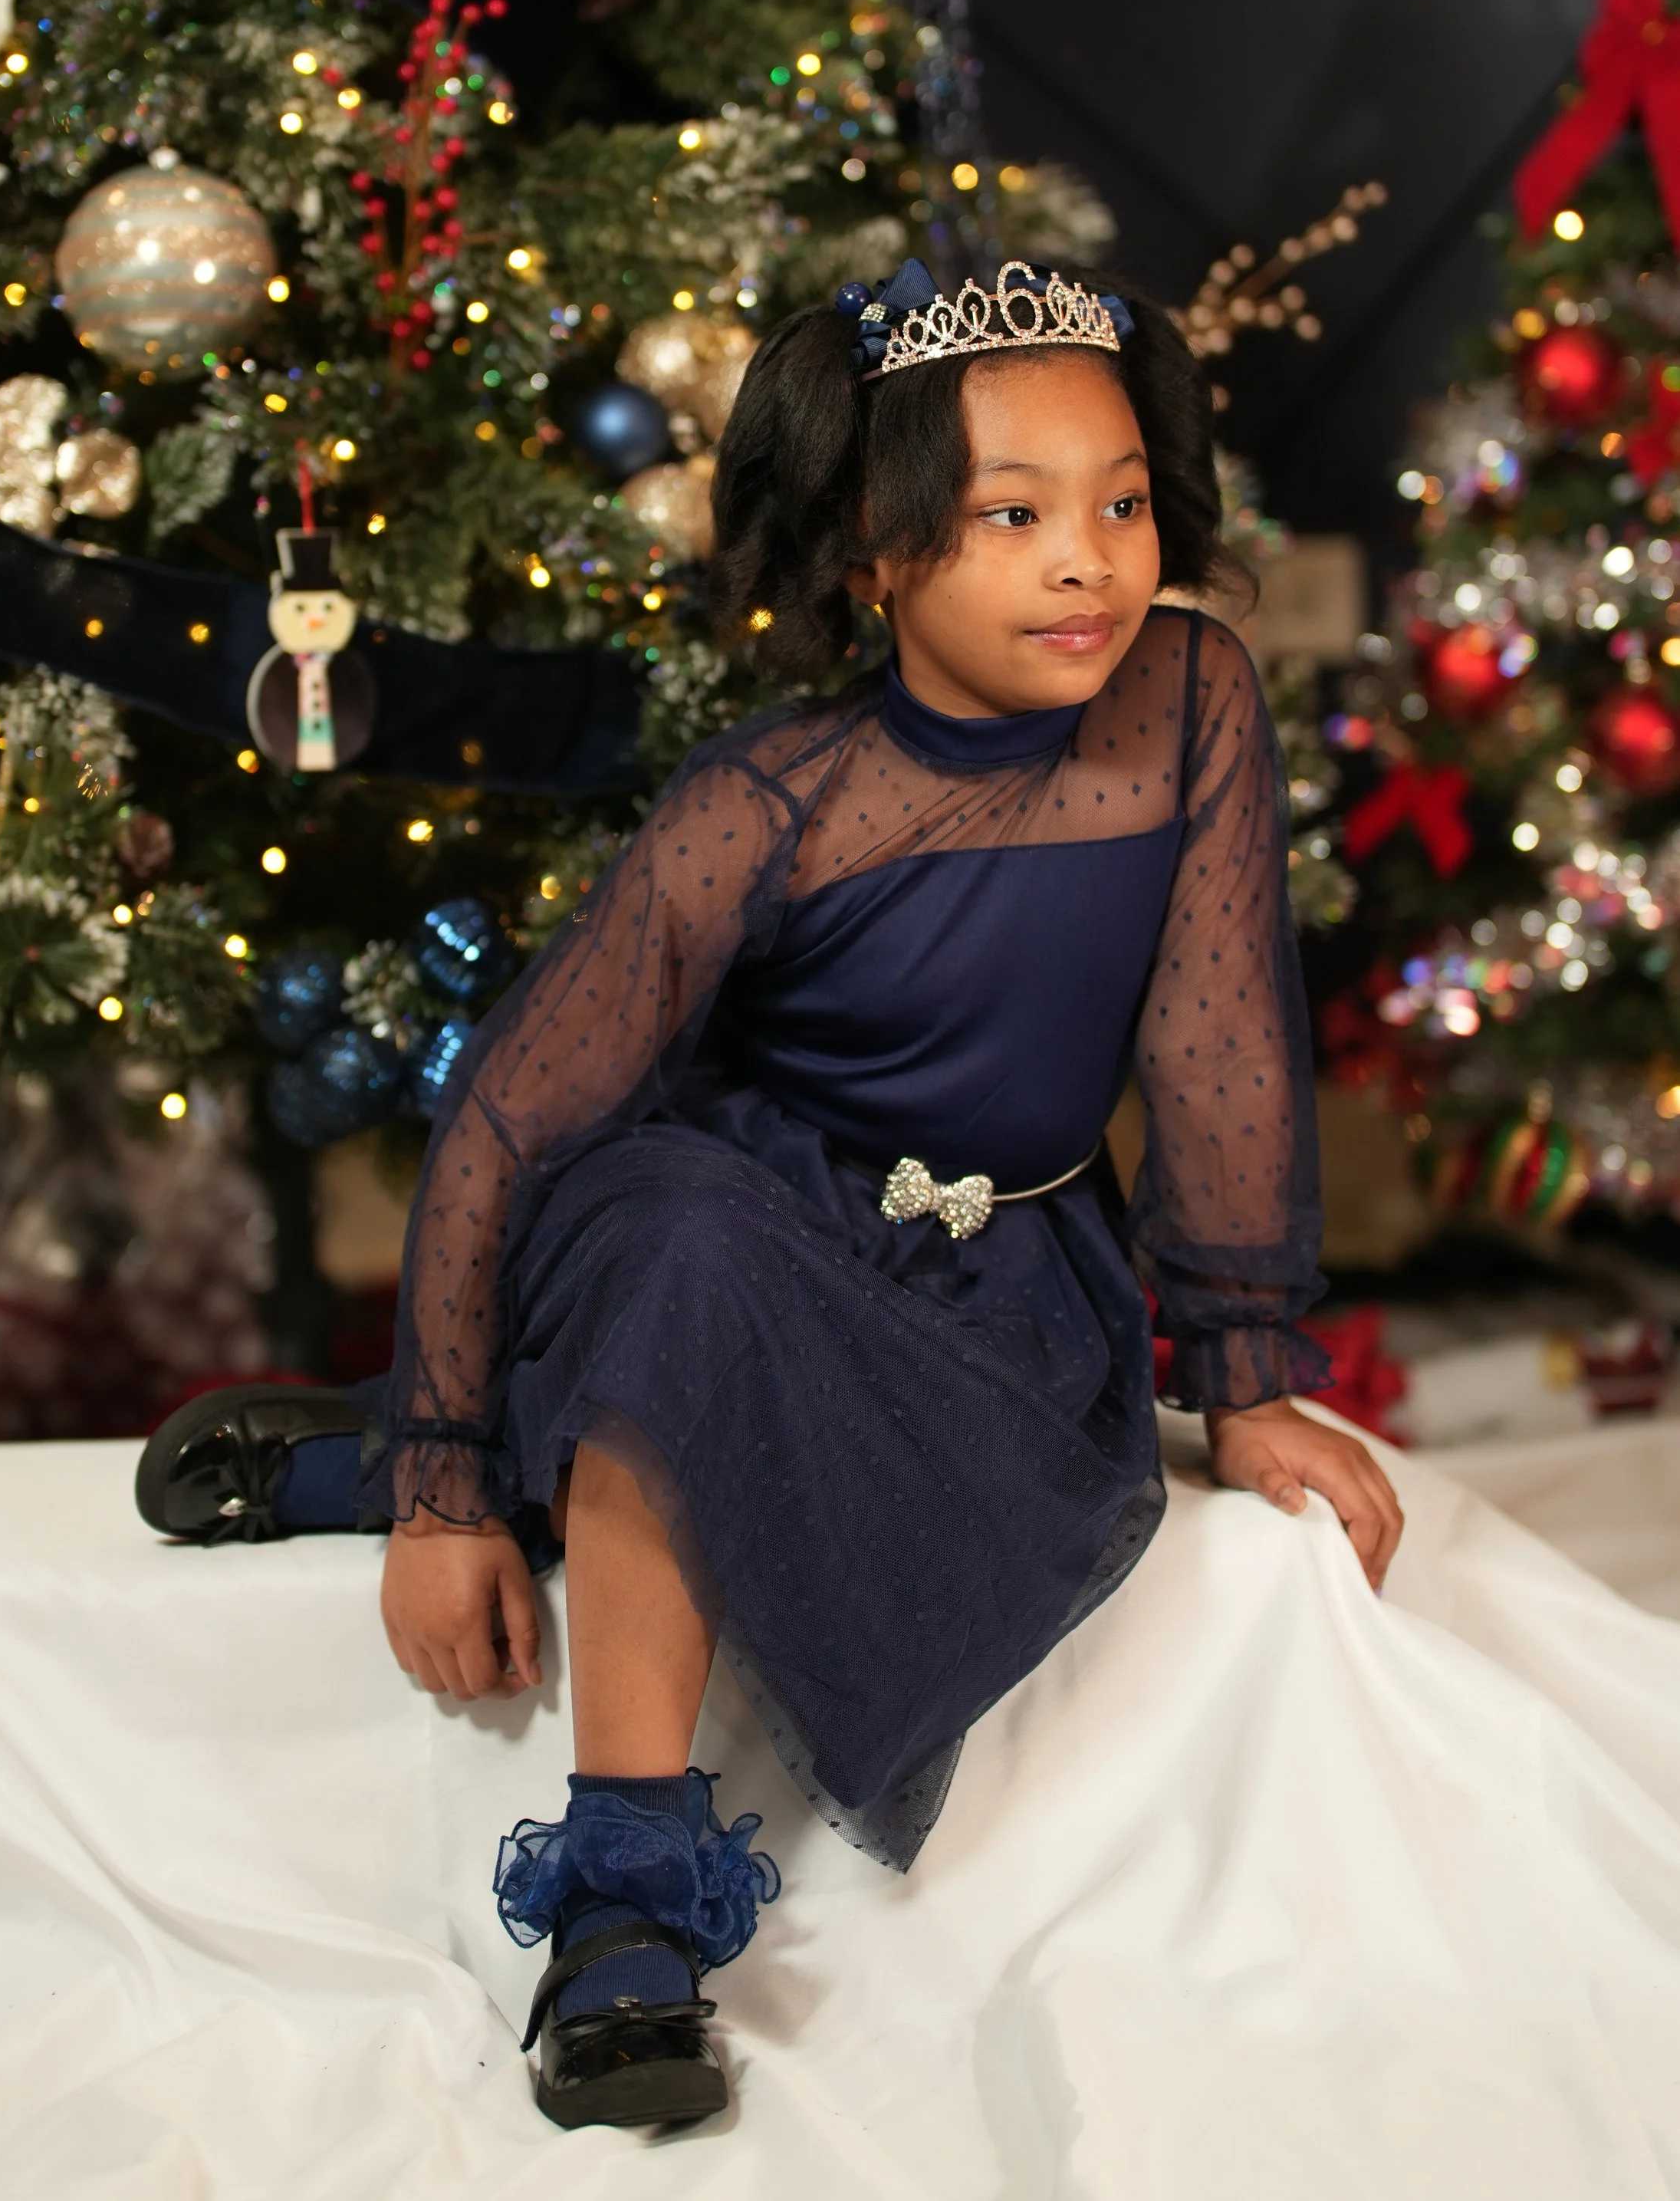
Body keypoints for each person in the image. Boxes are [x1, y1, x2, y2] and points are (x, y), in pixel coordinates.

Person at [137, 255, 1404, 2134]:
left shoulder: (1186, 697)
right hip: (730, 1213)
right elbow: (504, 1122)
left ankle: (377, 1449)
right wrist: (438, 1504)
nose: (1087, 561)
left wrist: (1241, 1371)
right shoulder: (768, 805)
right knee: (687, 1273)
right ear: (872, 557)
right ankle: (622, 1908)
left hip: (994, 1264)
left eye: (1123, 501)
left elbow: (1215, 1033)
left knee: (793, 1371)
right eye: (1012, 516)